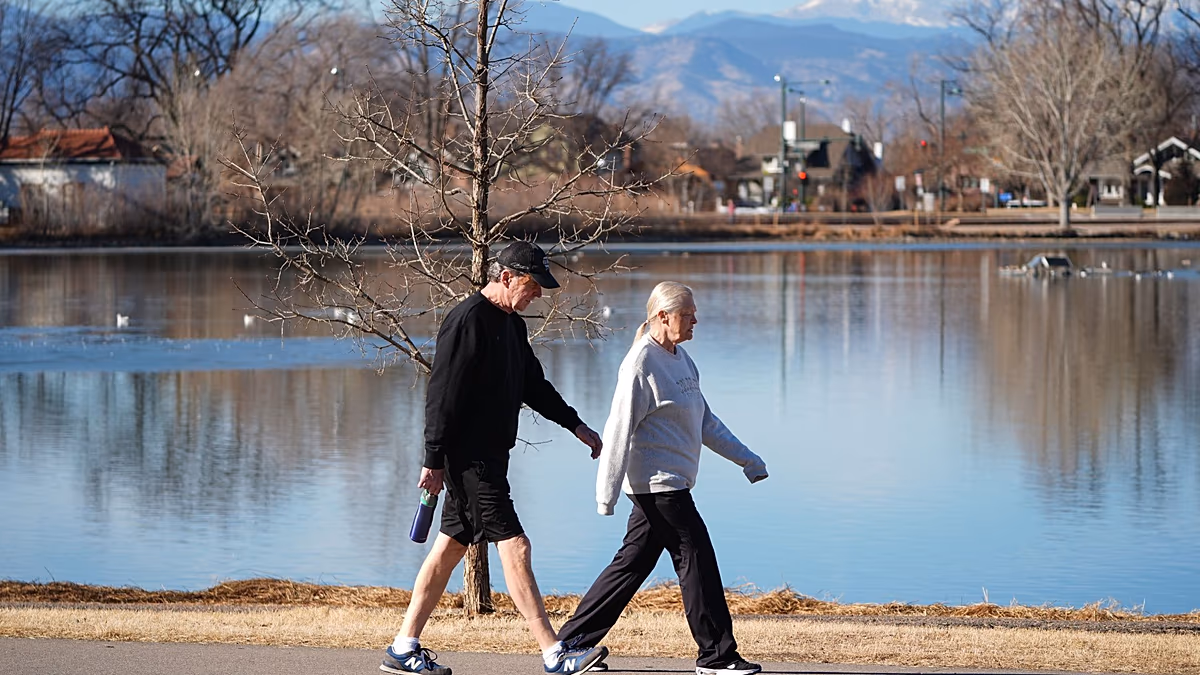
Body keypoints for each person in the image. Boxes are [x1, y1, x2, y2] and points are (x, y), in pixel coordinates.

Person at [380, 241, 609, 675]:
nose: (539, 293)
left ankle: (403, 647)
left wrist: (576, 426)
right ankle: (554, 653)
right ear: (506, 277)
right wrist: (433, 458)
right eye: (533, 284)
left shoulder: (512, 326)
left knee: (449, 548)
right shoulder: (467, 321)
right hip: (470, 459)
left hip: (490, 456)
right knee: (515, 544)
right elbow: (441, 395)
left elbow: (534, 386)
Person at [557, 281, 768, 675]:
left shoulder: (682, 360)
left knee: (631, 565)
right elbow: (619, 428)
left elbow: (705, 421)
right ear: (662, 316)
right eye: (688, 315)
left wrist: (747, 459)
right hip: (658, 486)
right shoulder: (640, 364)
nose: (695, 321)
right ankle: (716, 656)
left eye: (694, 313)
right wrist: (606, 495)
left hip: (672, 483)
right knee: (696, 559)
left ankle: (570, 644)